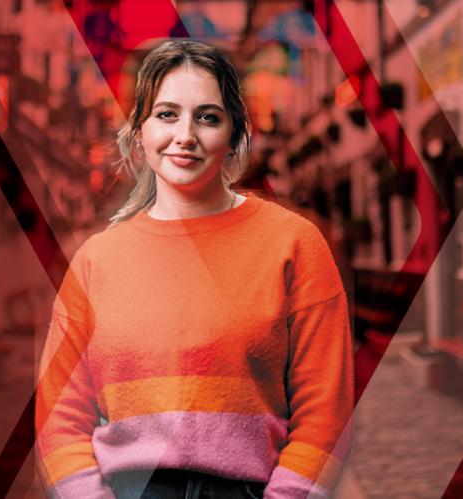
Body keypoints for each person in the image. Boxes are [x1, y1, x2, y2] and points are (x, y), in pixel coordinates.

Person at [35, 40, 353, 499]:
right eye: (166, 114)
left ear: (234, 134)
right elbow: (58, 418)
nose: (185, 134)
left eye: (207, 117)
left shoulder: (294, 245)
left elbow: (326, 411)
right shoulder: (95, 262)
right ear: (139, 130)